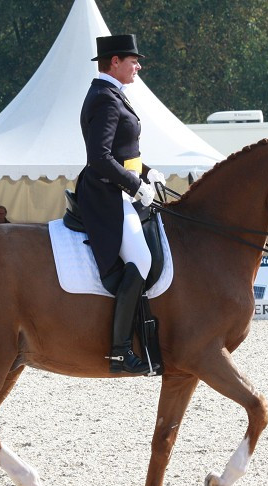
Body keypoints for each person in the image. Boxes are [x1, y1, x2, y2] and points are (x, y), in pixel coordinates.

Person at [76, 34, 164, 374]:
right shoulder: (104, 98)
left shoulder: (113, 95)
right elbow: (99, 158)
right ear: (115, 62)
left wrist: (145, 170)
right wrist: (135, 185)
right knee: (140, 259)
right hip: (106, 195)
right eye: (133, 60)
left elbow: (122, 152)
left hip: (122, 188)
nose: (138, 66)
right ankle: (119, 350)